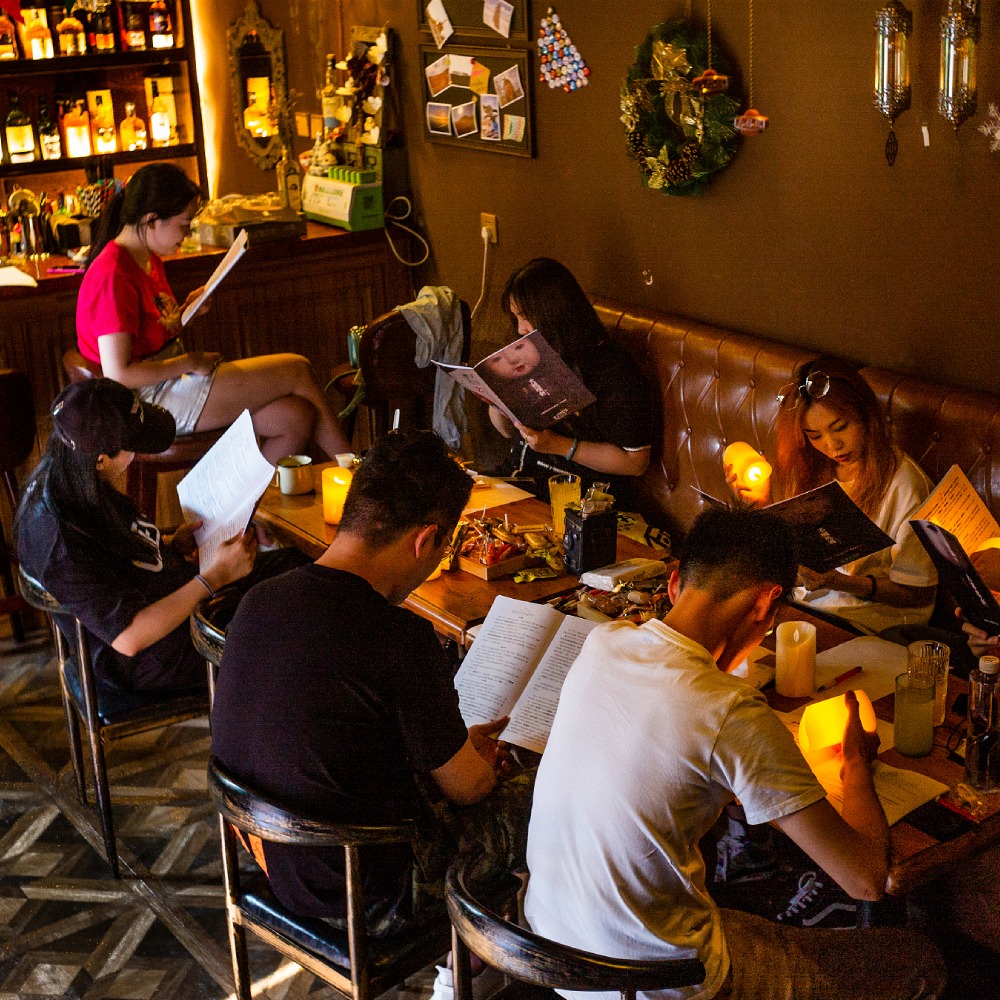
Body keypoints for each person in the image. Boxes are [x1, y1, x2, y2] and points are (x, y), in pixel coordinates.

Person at [523, 505, 946, 1000]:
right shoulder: (729, 711)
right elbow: (865, 880)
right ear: (767, 602)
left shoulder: (604, 642)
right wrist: (855, 762)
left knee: (741, 911)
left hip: (550, 946)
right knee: (917, 961)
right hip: (649, 983)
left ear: (675, 584)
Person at [211, 430, 533, 939]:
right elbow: (469, 788)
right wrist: (478, 766)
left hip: (271, 858)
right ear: (424, 540)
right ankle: (503, 956)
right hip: (365, 890)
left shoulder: (258, 601)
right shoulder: (398, 637)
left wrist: (452, 753)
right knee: (546, 789)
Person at [76, 162, 351, 463]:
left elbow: (149, 334)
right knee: (298, 368)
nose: (187, 233)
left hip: (165, 381)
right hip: (144, 401)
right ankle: (356, 472)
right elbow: (119, 375)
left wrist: (187, 312)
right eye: (183, 224)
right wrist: (190, 362)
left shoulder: (147, 258)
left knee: (295, 417)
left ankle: (251, 499)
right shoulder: (113, 273)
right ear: (151, 220)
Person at [16, 378, 257, 692]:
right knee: (283, 629)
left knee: (286, 578)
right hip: (152, 658)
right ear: (101, 459)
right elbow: (129, 637)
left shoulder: (73, 474)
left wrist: (166, 545)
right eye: (132, 447)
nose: (137, 455)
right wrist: (214, 577)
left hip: (170, 605)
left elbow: (110, 555)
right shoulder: (58, 537)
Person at [728, 357, 937, 635]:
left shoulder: (905, 484)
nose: (832, 445)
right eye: (815, 436)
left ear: (865, 414)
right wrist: (762, 505)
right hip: (806, 606)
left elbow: (917, 594)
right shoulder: (814, 465)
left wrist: (839, 582)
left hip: (867, 623)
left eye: (840, 427)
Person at [488, 258, 653, 507]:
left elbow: (636, 463)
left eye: (525, 317)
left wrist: (559, 445)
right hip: (517, 479)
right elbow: (507, 432)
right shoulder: (529, 355)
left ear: (553, 314)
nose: (521, 329)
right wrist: (500, 405)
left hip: (577, 500)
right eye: (516, 318)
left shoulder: (613, 370)